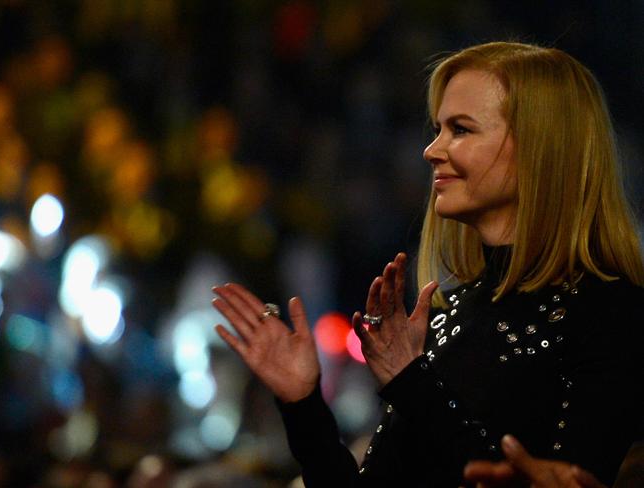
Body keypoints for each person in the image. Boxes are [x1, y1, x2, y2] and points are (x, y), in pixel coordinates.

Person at [211, 41, 644, 487]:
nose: (431, 150)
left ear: (540, 146)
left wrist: (411, 383)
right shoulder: (450, 314)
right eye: (438, 128)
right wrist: (303, 405)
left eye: (460, 129)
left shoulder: (613, 311)